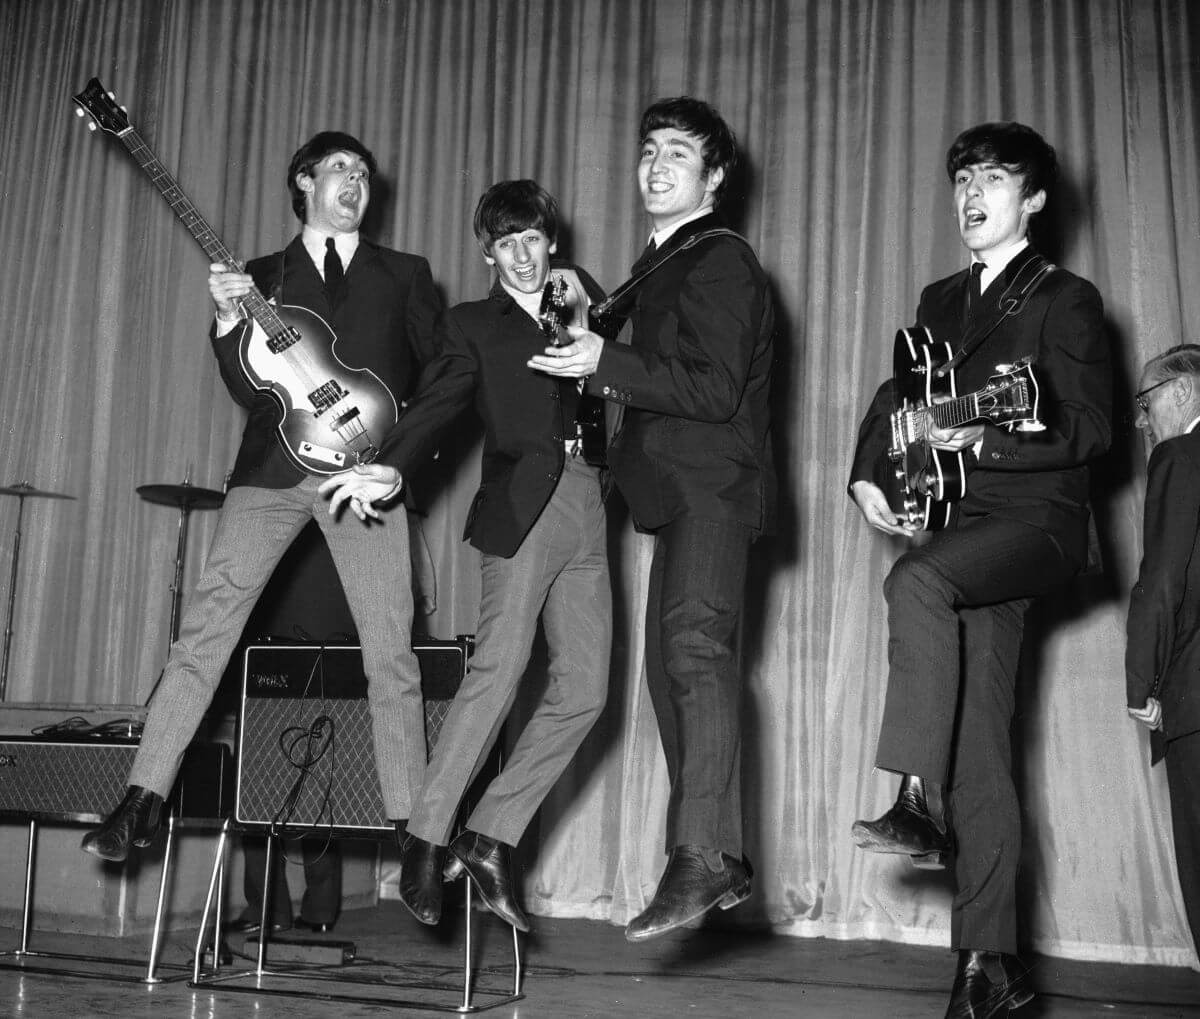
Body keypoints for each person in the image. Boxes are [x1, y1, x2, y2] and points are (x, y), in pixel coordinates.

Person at [81, 131, 442, 863]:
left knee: (390, 654)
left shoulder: (405, 274)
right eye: (340, 168)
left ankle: (415, 832)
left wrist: (399, 465)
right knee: (204, 634)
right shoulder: (259, 275)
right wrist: (224, 320)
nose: (356, 180)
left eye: (365, 174)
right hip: (273, 470)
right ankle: (141, 799)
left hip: (361, 475)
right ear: (304, 182)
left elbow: (441, 382)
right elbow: (252, 387)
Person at [847, 122, 1112, 1017]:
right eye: (964, 175)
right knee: (983, 752)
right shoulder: (940, 298)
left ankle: (914, 797)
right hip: (964, 530)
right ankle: (987, 964)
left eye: (995, 177)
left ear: (1032, 199)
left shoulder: (1066, 299)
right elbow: (900, 398)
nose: (973, 191)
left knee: (911, 582)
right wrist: (868, 469)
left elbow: (1091, 429)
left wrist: (987, 438)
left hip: (1036, 525)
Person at [319, 180, 611, 932]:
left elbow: (630, 379)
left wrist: (592, 309)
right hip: (520, 509)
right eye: (505, 243)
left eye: (532, 239)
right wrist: (395, 463)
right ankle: (425, 835)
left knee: (585, 690)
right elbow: (440, 400)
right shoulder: (473, 324)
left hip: (589, 506)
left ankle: (488, 836)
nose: (521, 255)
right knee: (500, 670)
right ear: (488, 253)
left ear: (553, 242)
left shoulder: (584, 306)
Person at [526, 97, 776, 942]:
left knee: (695, 655)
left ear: (714, 178)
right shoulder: (662, 262)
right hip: (674, 496)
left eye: (679, 152)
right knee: (675, 673)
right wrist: (591, 308)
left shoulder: (722, 260)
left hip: (710, 487)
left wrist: (604, 356)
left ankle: (705, 853)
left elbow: (709, 385)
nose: (656, 163)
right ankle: (720, 854)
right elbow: (655, 352)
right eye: (648, 150)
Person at [1126, 343, 1200, 961]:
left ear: (1184, 391)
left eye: (1146, 403)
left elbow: (1163, 583)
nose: (1142, 421)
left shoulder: (1179, 457)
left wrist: (1142, 683)